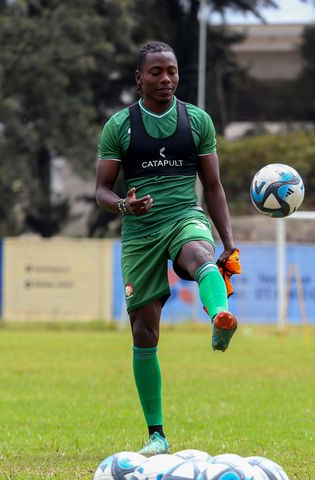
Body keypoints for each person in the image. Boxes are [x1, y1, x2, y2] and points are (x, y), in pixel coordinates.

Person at [95, 41, 239, 456]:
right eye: (156, 72)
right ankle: (156, 435)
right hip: (140, 230)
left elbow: (213, 186)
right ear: (139, 78)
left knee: (201, 256)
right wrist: (125, 205)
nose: (166, 79)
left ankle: (220, 317)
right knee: (144, 330)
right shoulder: (119, 126)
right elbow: (101, 190)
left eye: (171, 71)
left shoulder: (196, 121)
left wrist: (228, 241)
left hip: (183, 214)